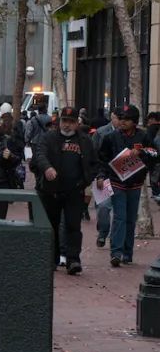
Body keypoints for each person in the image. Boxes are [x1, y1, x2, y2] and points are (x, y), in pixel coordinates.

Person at [32, 107, 98, 275]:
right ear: (59, 121)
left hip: (74, 191)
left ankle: (73, 259)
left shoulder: (84, 141)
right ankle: (51, 259)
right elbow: (39, 155)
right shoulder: (48, 138)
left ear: (77, 123)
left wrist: (85, 181)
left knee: (73, 225)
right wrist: (47, 168)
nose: (67, 125)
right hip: (51, 190)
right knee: (51, 226)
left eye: (71, 122)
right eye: (64, 121)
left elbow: (93, 163)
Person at [97, 105, 158, 267]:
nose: (123, 122)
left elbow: (155, 154)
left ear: (134, 122)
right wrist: (101, 176)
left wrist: (142, 153)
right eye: (121, 118)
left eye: (127, 119)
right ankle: (116, 252)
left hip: (136, 184)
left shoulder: (143, 137)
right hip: (117, 182)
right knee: (120, 217)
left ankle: (127, 253)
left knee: (131, 219)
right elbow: (102, 159)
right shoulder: (111, 138)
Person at [93, 109, 118, 247]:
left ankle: (115, 240)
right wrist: (97, 174)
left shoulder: (129, 135)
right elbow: (94, 153)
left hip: (122, 178)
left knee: (117, 213)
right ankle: (102, 232)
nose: (120, 121)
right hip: (104, 175)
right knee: (103, 207)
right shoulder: (101, 132)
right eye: (116, 118)